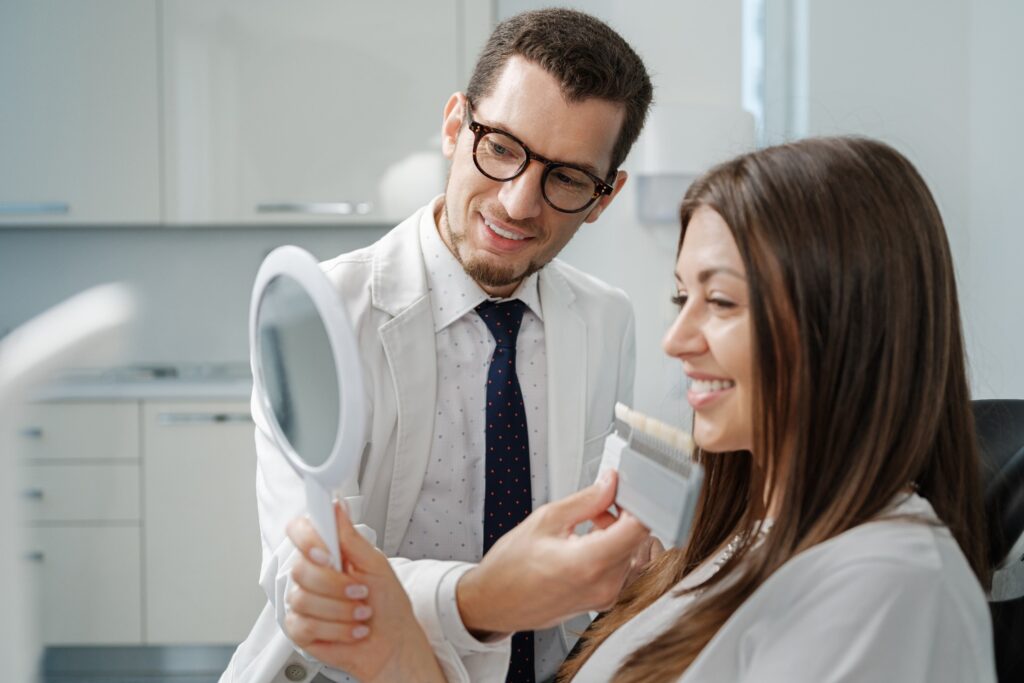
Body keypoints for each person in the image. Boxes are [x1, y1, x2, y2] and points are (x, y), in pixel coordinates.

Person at [282, 136, 997, 682]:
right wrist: (400, 648)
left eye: (718, 300)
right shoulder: (735, 542)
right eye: (681, 297)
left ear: (847, 321)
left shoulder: (887, 585)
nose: (676, 339)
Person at [221, 9, 655, 683]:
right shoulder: (324, 311)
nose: (518, 203)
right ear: (455, 126)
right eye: (502, 147)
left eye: (567, 178)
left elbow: (588, 551)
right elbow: (311, 585)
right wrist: (483, 599)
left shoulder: (606, 319)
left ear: (604, 196)